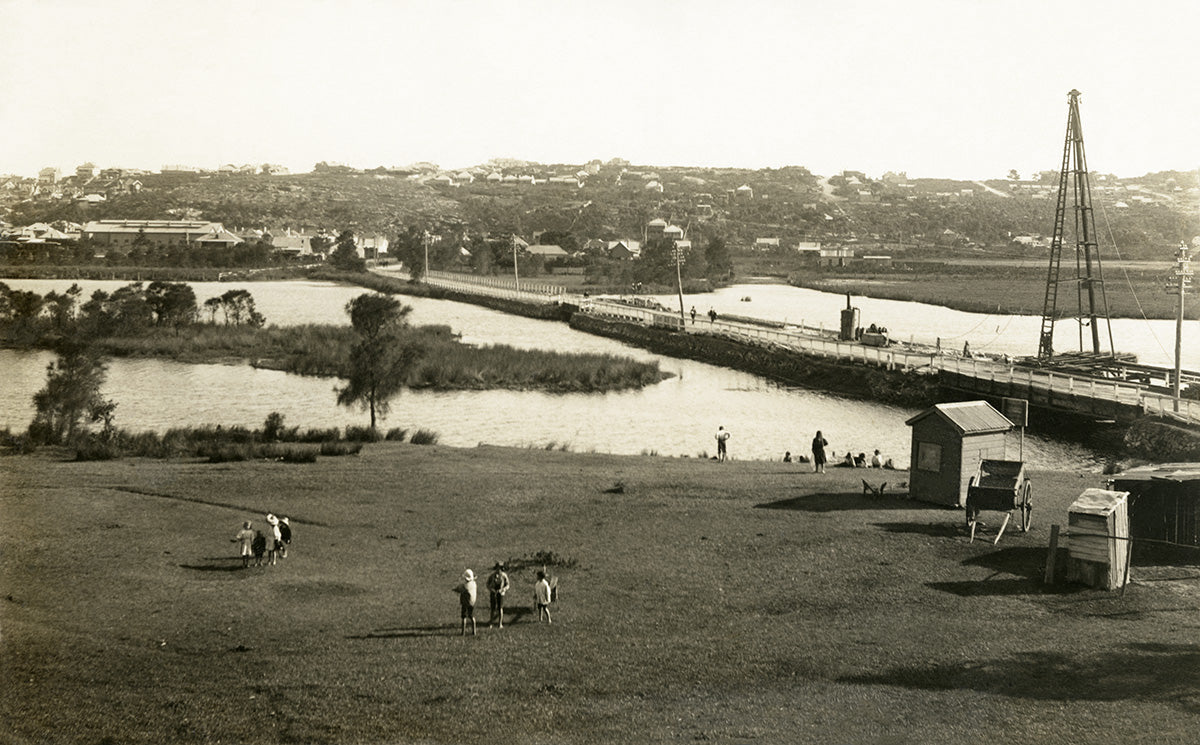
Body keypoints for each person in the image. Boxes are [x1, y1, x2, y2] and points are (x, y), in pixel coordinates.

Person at [454, 569, 478, 636]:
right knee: (472, 616)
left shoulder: (465, 586)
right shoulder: (474, 584)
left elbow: (459, 589)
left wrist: (455, 589)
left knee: (464, 617)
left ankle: (463, 632)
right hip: (472, 602)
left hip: (465, 603)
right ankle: (474, 631)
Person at [486, 562, 510, 628]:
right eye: (497, 568)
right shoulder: (492, 576)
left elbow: (507, 585)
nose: (498, 570)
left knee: (500, 608)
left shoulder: (504, 576)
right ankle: (491, 623)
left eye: (500, 569)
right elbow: (487, 584)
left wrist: (503, 590)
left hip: (501, 594)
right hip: (493, 593)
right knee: (492, 608)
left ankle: (500, 623)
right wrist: (491, 589)